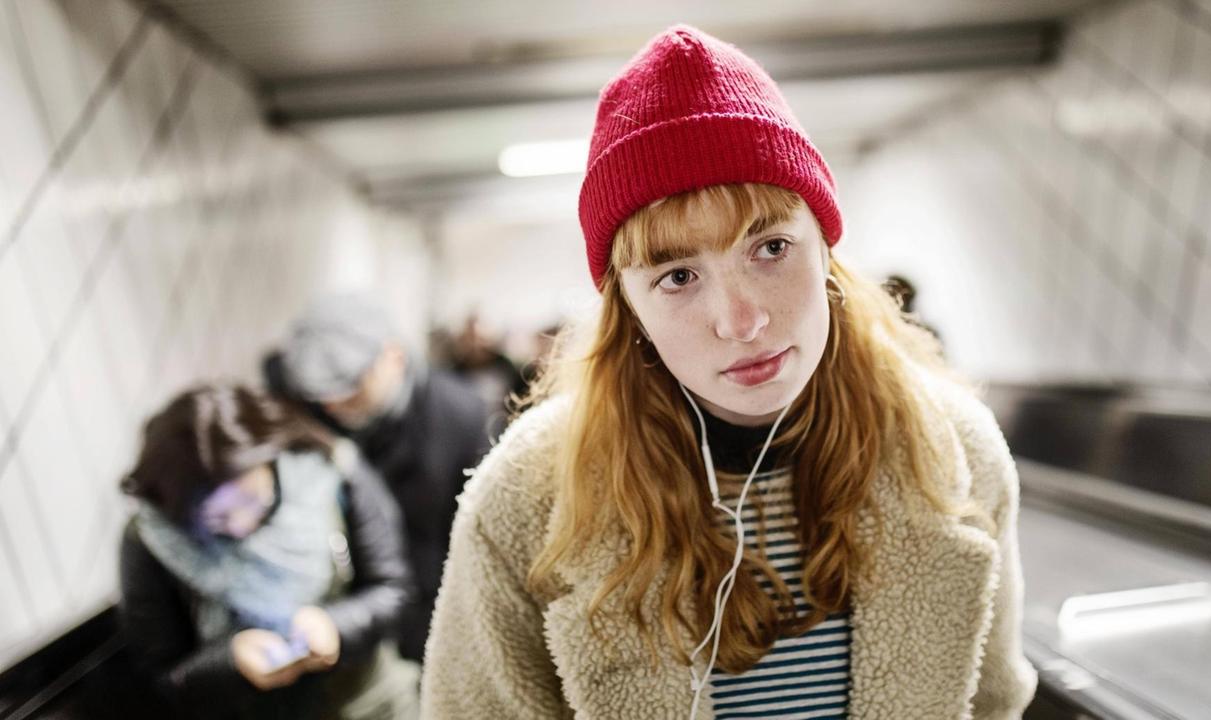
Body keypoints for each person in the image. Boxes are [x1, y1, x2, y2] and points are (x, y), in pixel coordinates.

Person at [421, 25, 1036, 720]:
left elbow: (992, 703)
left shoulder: (954, 451)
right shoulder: (529, 497)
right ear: (628, 306)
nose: (740, 320)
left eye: (770, 247)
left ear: (827, 249)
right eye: (678, 275)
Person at [117, 384, 420, 720]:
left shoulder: (331, 472)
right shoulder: (153, 538)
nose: (239, 526)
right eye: (213, 518)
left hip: (372, 703)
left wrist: (335, 625)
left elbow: (394, 590)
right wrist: (229, 662)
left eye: (249, 500)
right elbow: (158, 671)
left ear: (271, 460)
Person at [263, 294, 489, 662]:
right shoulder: (299, 405)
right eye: (321, 394)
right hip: (334, 619)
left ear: (393, 358)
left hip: (426, 613)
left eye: (350, 386)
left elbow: (470, 541)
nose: (333, 405)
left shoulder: (457, 415)